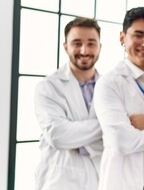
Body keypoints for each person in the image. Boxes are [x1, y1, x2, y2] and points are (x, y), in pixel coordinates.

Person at [94, 7, 144, 190]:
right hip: (124, 182)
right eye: (138, 35)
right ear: (122, 38)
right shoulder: (109, 83)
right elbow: (121, 141)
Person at [35, 17, 103, 189]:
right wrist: (108, 125)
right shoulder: (48, 87)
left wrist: (79, 135)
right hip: (60, 180)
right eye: (77, 43)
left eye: (91, 43)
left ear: (100, 47)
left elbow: (120, 138)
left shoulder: (110, 87)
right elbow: (58, 136)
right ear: (66, 46)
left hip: (101, 178)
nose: (84, 50)